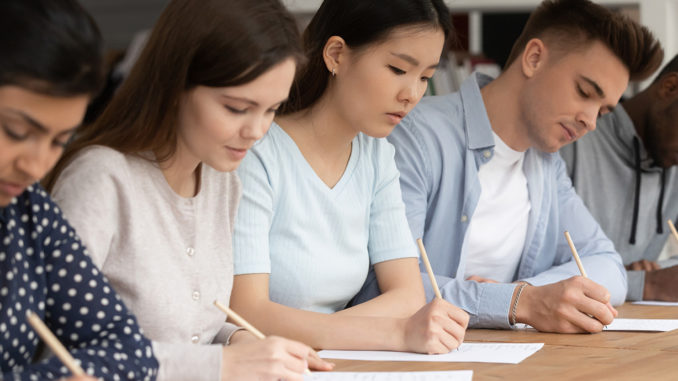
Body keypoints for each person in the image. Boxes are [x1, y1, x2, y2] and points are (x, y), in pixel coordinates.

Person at [44, 0, 331, 380]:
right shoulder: (102, 180)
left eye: (271, 109)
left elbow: (199, 329)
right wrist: (224, 364)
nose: (257, 131)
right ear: (175, 84)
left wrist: (242, 340)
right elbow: (58, 348)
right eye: (236, 108)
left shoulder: (221, 181)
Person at [352, 0, 663, 333]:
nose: (590, 121)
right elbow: (380, 288)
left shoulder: (546, 166)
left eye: (602, 111)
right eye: (585, 92)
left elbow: (608, 265)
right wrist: (517, 303)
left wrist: (528, 294)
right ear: (534, 58)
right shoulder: (414, 138)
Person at [231, 0, 469, 354]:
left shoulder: (376, 155)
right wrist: (393, 334)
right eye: (397, 69)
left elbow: (407, 296)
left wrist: (327, 334)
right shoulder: (255, 152)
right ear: (336, 55)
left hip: (332, 360)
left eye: (425, 78)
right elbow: (246, 312)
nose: (412, 94)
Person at [0, 0, 158, 380]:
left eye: (59, 141)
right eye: (17, 132)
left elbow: (128, 348)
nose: (36, 167)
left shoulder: (27, 210)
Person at [561, 55, 678, 302]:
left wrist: (651, 277)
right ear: (670, 88)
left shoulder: (671, 159)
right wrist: (643, 284)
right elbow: (533, 271)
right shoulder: (570, 140)